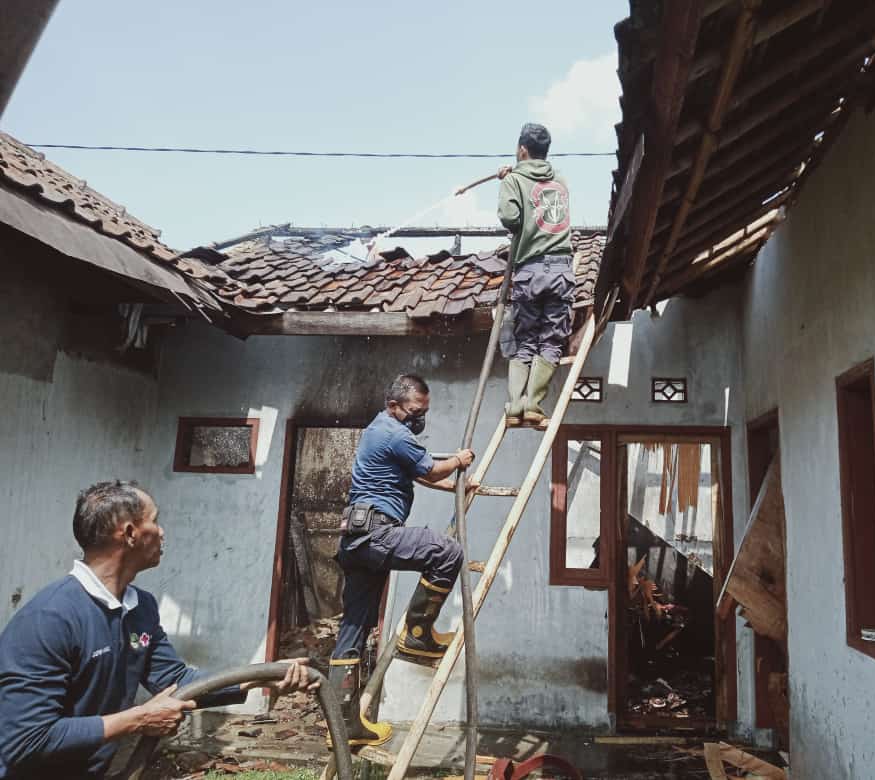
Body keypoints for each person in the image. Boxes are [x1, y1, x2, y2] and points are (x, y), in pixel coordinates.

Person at [0, 481, 316, 780]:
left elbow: (177, 682)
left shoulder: (140, 608)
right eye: (155, 521)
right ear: (129, 533)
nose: (163, 532)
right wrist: (138, 719)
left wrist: (265, 676)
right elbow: (24, 740)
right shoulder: (50, 618)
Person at [329, 374, 475, 747]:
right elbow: (430, 468)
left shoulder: (382, 432)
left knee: (354, 629)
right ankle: (418, 634)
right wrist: (459, 461)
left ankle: (345, 726)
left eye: (424, 412)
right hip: (377, 532)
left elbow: (420, 475)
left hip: (357, 540)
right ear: (393, 405)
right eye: (414, 411)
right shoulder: (393, 433)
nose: (419, 418)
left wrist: (453, 484)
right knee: (447, 552)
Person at [497, 122, 575, 429]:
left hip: (529, 270)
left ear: (522, 150)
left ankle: (516, 405)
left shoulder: (514, 179)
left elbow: (510, 218)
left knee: (525, 340)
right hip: (561, 271)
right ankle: (534, 405)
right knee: (552, 340)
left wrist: (507, 179)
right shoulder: (561, 181)